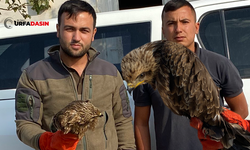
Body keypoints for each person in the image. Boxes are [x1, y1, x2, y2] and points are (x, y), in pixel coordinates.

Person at [15, 0, 136, 150]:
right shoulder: (33, 75)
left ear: (93, 34)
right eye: (70, 29)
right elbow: (25, 124)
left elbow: (122, 121)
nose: (76, 37)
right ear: (58, 30)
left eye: (84, 30)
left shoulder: (110, 73)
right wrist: (47, 141)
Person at [133, 0, 248, 150]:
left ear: (196, 27)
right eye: (171, 23)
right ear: (163, 30)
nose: (178, 29)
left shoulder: (219, 64)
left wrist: (216, 134)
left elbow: (241, 110)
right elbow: (141, 123)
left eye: (184, 22)